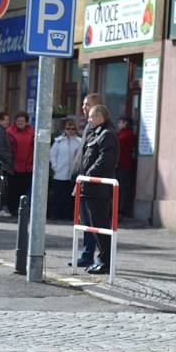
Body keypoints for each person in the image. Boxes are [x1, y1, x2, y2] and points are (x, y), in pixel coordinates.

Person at [78, 105, 119, 275]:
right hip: (89, 187)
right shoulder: (96, 133)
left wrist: (89, 175)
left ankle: (105, 261)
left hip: (98, 188)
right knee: (94, 227)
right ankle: (101, 259)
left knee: (101, 226)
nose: (89, 119)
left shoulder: (107, 134)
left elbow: (105, 160)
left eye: (92, 116)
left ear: (101, 117)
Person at [69, 93, 103, 267]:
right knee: (85, 220)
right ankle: (87, 254)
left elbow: (96, 158)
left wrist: (85, 176)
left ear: (96, 106)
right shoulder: (89, 127)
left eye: (86, 105)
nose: (83, 108)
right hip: (82, 180)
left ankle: (94, 255)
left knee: (92, 221)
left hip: (91, 183)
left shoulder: (99, 129)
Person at [49, 119, 82, 220]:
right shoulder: (58, 141)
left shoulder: (79, 142)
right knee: (57, 196)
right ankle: (55, 214)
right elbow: (52, 155)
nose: (70, 131)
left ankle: (68, 215)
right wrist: (55, 167)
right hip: (60, 173)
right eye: (68, 129)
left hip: (73, 174)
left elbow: (81, 156)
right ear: (64, 129)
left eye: (73, 129)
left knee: (70, 197)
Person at [6, 111, 35, 217]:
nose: (20, 123)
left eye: (22, 121)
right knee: (13, 189)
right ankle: (12, 209)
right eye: (18, 120)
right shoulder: (9, 132)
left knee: (24, 189)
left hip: (28, 167)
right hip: (14, 166)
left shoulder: (32, 132)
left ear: (26, 122)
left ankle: (22, 209)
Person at [116, 115, 136, 218]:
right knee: (118, 189)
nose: (119, 124)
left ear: (125, 123)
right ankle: (117, 209)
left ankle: (121, 211)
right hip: (119, 165)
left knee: (123, 189)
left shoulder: (128, 134)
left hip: (124, 165)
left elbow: (119, 143)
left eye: (120, 122)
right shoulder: (120, 134)